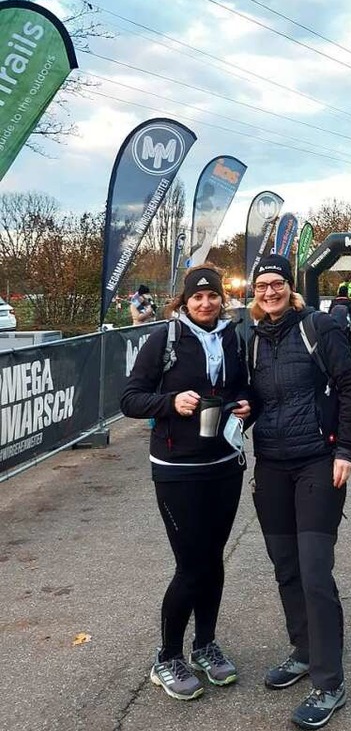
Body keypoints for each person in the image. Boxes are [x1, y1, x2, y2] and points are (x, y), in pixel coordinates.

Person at [120, 265, 251, 702]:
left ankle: (205, 646)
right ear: (184, 302)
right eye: (197, 298)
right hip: (177, 468)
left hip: (224, 464)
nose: (206, 303)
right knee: (191, 565)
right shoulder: (165, 339)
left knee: (213, 560)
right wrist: (171, 401)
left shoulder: (234, 338)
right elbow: (130, 399)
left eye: (212, 296)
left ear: (221, 300)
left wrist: (249, 407)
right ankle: (168, 656)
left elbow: (245, 390)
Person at [248, 254, 351, 731]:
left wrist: (346, 451)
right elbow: (257, 397)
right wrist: (242, 408)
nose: (269, 292)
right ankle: (302, 650)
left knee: (316, 571)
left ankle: (329, 681)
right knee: (286, 567)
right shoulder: (250, 339)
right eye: (261, 287)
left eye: (276, 284)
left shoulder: (318, 327)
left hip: (319, 460)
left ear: (290, 287)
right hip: (271, 465)